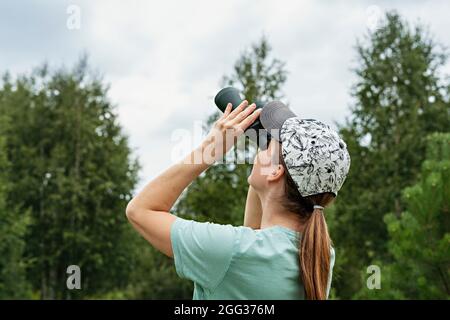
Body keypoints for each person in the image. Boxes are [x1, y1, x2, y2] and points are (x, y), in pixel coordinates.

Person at [126, 99, 351, 300]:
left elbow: (141, 210)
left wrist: (210, 149)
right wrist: (267, 157)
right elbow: (255, 233)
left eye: (268, 145)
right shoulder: (318, 254)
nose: (261, 150)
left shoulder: (232, 251)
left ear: (275, 172)